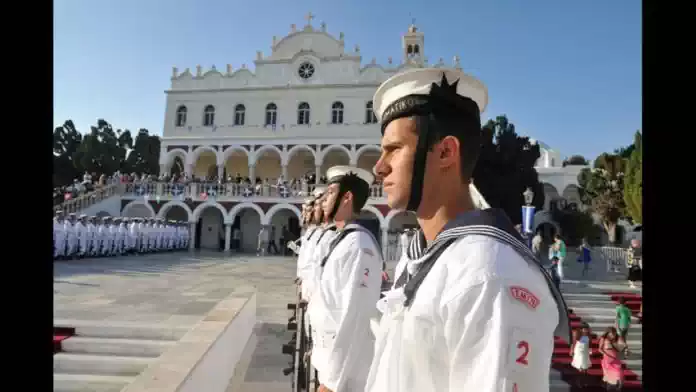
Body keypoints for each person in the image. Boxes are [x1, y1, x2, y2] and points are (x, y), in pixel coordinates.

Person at [366, 68, 569, 392]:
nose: (379, 166)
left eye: (394, 149)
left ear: (446, 152)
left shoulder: (489, 276)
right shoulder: (423, 256)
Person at [308, 166, 382, 392]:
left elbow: (357, 317)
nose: (324, 200)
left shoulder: (358, 246)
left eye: (331, 193)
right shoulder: (342, 241)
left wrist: (332, 383)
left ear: (347, 197)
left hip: (344, 378)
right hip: (329, 361)